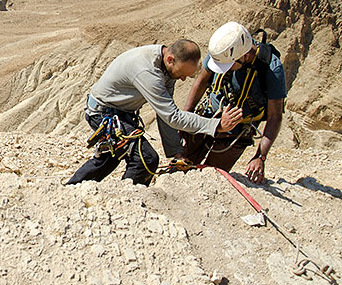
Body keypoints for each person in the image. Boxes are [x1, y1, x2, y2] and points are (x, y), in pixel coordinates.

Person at [66, 39, 243, 186]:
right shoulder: (148, 71)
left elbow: (165, 113)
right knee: (145, 159)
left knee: (111, 156)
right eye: (181, 74)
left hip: (118, 113)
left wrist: (176, 152)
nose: (182, 79)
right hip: (104, 114)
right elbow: (172, 116)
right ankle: (129, 201)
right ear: (170, 59)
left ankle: (73, 189)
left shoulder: (167, 67)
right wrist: (216, 125)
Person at [182, 22, 286, 184]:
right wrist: (186, 118)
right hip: (206, 120)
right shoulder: (222, 50)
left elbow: (275, 117)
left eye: (228, 66)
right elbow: (201, 82)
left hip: (235, 135)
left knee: (209, 178)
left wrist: (260, 156)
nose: (225, 70)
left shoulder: (271, 68)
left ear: (243, 56)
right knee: (182, 167)